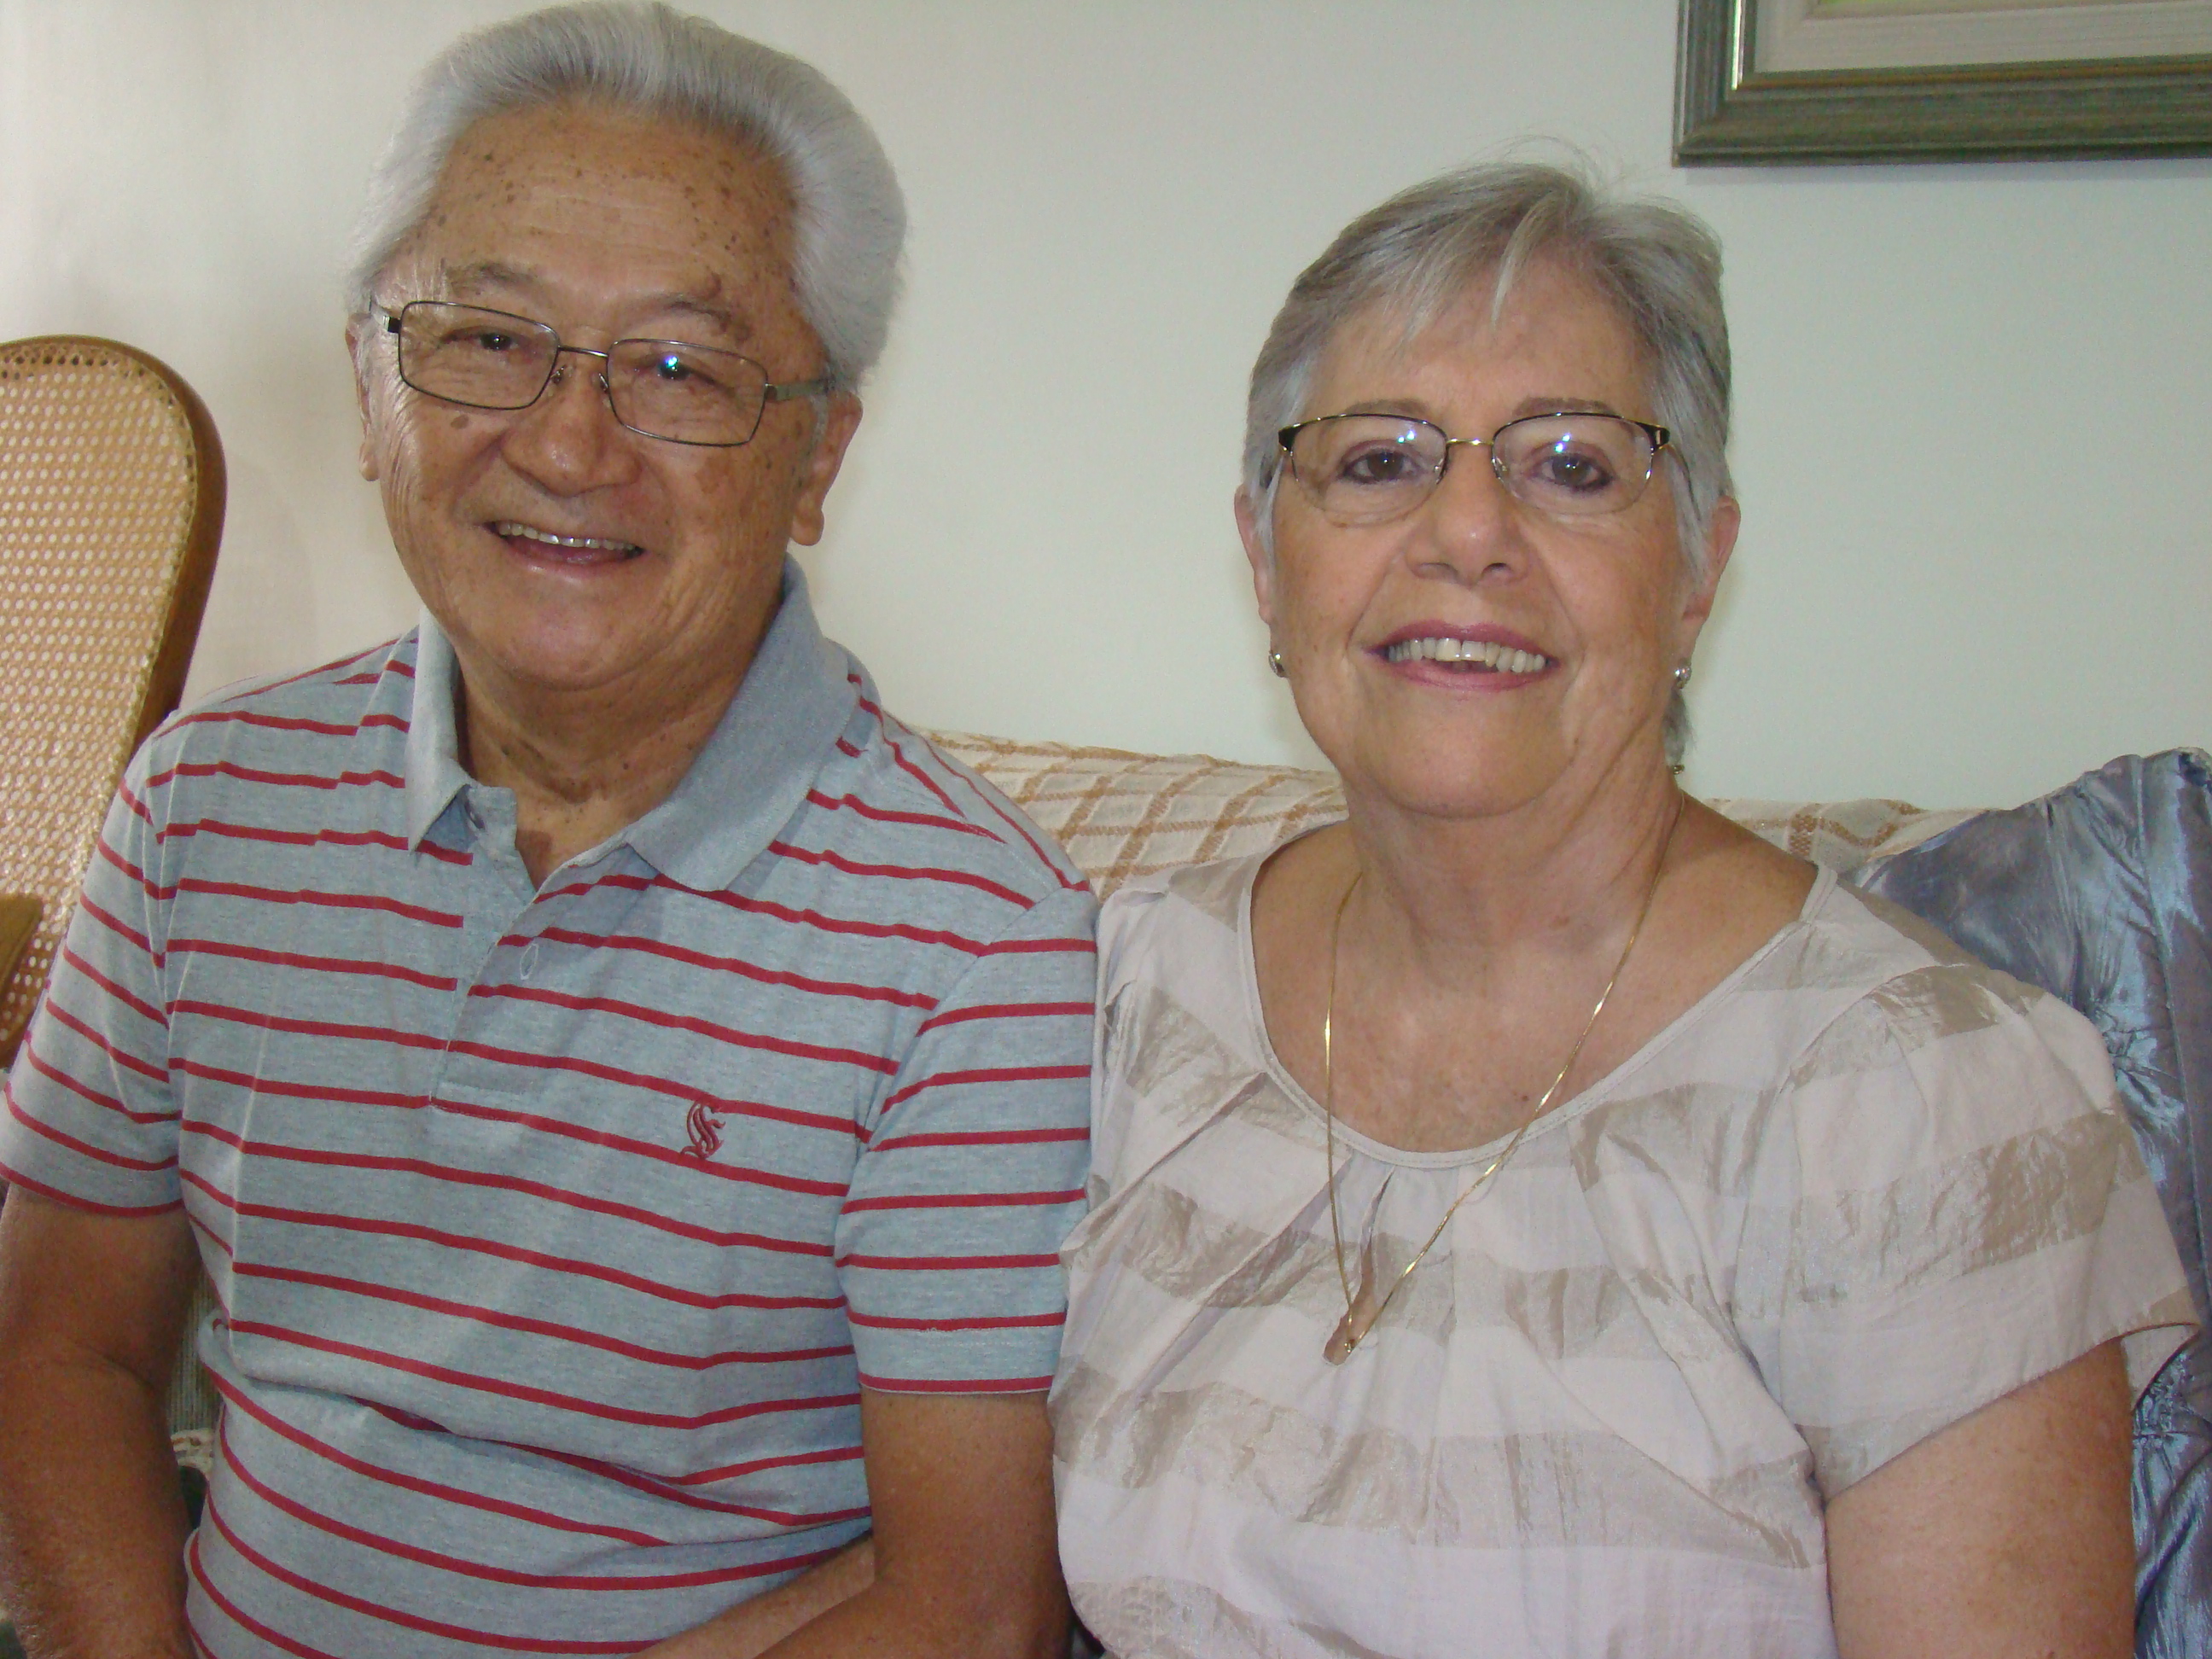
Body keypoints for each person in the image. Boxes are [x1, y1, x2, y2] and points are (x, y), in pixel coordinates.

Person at [0, 5, 1091, 1656]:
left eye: (681, 370)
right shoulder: (203, 809)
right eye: (489, 340)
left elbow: (973, 1601)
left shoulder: (976, 943)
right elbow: (55, 1348)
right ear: (372, 388)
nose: (570, 445)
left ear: (817, 456)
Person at [1049, 160, 2195, 1658]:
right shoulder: (1126, 992)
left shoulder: (1919, 1096)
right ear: (1268, 556)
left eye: (1573, 467)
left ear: (1699, 569)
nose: (1467, 530)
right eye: (1379, 459)